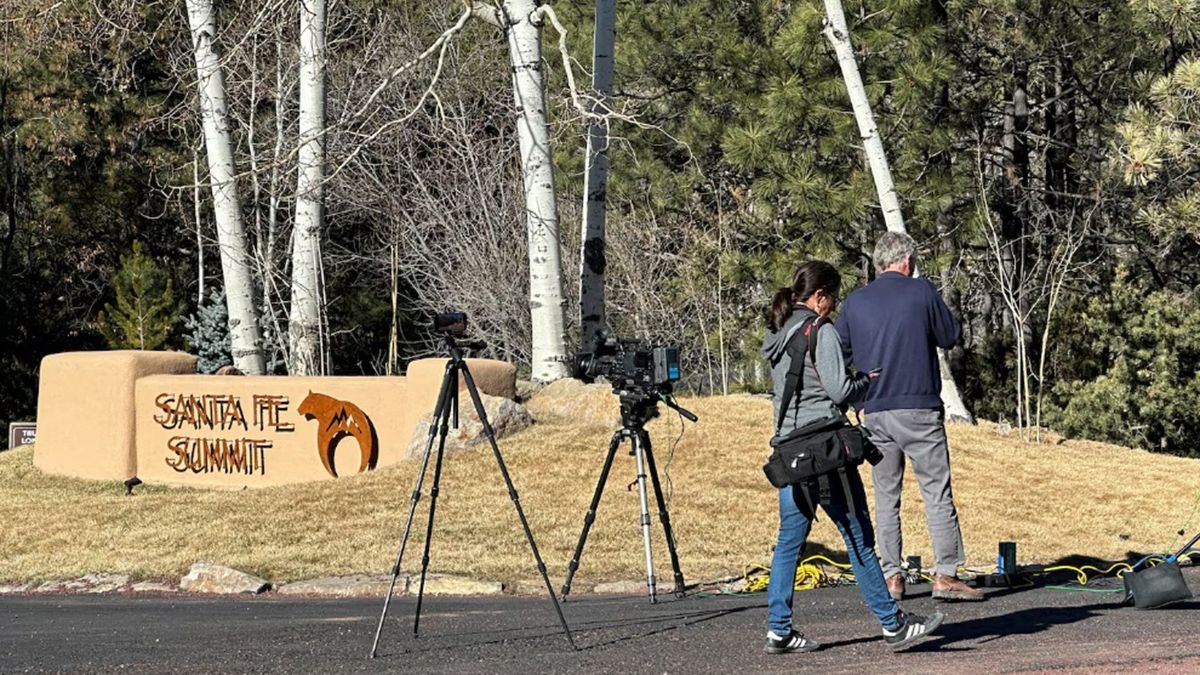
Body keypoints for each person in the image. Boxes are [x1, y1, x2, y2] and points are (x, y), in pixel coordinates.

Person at [761, 260, 944, 654]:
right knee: (858, 537)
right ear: (820, 296)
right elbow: (840, 389)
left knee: (788, 543)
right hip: (824, 451)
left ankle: (779, 629)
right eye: (835, 298)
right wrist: (867, 381)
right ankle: (893, 624)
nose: (835, 306)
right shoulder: (818, 330)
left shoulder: (779, 332)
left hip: (790, 451)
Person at [834, 232, 984, 602]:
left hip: (876, 409)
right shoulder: (921, 292)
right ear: (906, 261)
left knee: (886, 495)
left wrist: (857, 399)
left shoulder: (855, 302)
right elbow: (950, 336)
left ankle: (891, 577)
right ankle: (945, 574)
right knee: (936, 490)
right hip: (918, 406)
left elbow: (836, 352)